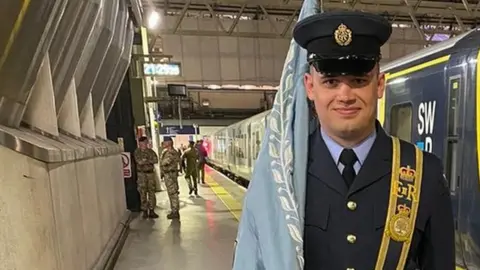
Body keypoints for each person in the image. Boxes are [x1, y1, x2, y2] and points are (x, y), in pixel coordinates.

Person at [232, 10, 455, 270]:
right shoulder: (282, 174)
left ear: (380, 84)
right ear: (310, 86)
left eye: (359, 80)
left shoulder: (422, 172)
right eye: (331, 81)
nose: (345, 95)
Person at [133, 136, 159, 219]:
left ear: (146, 143)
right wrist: (148, 161)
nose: (143, 145)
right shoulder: (137, 152)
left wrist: (145, 161)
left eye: (144, 143)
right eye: (141, 143)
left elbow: (155, 160)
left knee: (151, 192)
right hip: (141, 175)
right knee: (142, 192)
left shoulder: (151, 151)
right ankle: (144, 210)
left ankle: (152, 210)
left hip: (150, 174)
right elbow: (139, 161)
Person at [160, 137, 181, 219]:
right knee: (171, 193)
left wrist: (161, 162)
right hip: (168, 175)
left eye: (164, 142)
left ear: (169, 143)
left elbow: (165, 163)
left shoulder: (171, 153)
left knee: (173, 193)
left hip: (170, 175)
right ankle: (174, 210)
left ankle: (175, 211)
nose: (163, 144)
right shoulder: (167, 152)